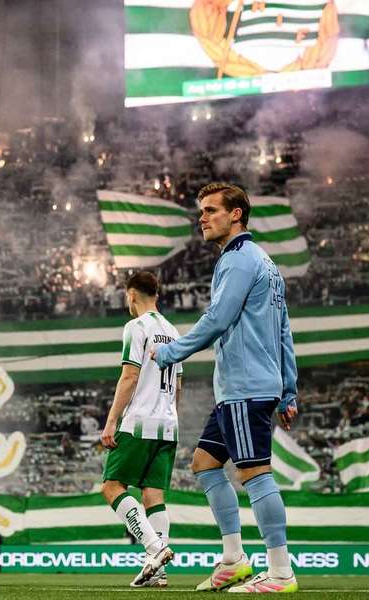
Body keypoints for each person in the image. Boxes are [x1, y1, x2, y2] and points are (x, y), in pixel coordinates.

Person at [153, 183, 299, 593]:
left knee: (254, 473)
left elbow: (217, 319)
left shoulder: (237, 261)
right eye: (201, 211)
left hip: (245, 386)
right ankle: (234, 559)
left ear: (236, 214)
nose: (202, 217)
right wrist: (288, 390)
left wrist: (170, 353)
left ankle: (281, 572)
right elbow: (284, 331)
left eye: (211, 210)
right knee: (204, 463)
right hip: (250, 386)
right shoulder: (267, 263)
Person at [100, 271, 181, 588]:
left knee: (111, 486)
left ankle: (156, 549)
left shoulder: (136, 327)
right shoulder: (174, 332)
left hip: (140, 421)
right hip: (168, 422)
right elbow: (178, 385)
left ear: (131, 295)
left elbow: (130, 377)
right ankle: (157, 573)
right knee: (153, 494)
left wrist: (111, 422)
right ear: (156, 295)